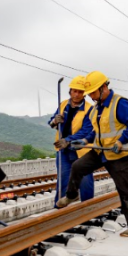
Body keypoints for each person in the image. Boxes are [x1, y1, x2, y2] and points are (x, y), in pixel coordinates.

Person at [56, 71, 128, 237]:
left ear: (104, 88)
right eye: (89, 94)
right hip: (100, 151)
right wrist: (85, 140)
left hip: (119, 154)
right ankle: (72, 195)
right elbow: (96, 131)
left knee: (124, 190)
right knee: (78, 166)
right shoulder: (96, 108)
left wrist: (121, 141)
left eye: (93, 93)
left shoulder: (120, 104)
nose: (91, 97)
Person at [50, 75, 94, 206]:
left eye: (80, 91)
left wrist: (68, 140)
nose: (77, 94)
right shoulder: (63, 104)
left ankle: (88, 208)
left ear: (84, 94)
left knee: (85, 180)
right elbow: (52, 122)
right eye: (74, 91)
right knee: (63, 179)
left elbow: (86, 130)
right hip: (63, 150)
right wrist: (54, 121)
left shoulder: (89, 109)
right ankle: (59, 209)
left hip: (81, 150)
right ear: (70, 91)